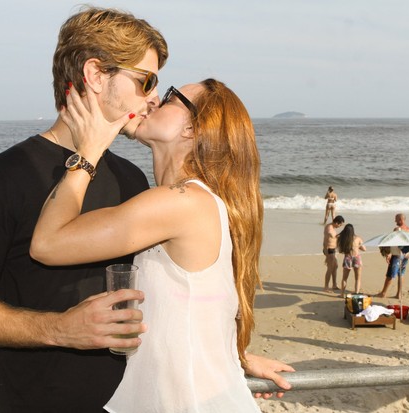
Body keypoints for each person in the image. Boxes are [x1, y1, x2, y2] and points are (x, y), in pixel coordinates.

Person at [0, 7, 287, 412]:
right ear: (96, 75)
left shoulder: (134, 182)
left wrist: (227, 361)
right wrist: (59, 330)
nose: (153, 98)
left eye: (161, 89)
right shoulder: (2, 177)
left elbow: (183, 296)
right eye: (147, 81)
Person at [31, 78, 294, 412]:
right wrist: (232, 358)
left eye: (171, 96)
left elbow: (48, 244)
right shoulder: (198, 202)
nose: (153, 101)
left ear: (191, 129)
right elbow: (197, 308)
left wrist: (89, 151)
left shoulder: (182, 203)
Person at [375, 213, 409, 299]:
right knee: (401, 274)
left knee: (390, 274)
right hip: (407, 255)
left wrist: (389, 254)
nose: (395, 221)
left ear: (401, 220)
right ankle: (399, 294)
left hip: (397, 255)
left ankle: (383, 293)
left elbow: (393, 242)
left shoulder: (397, 229)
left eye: (396, 219)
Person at [336, 223, 366, 296]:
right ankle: (356, 292)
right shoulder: (357, 238)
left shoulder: (343, 239)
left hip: (347, 258)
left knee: (344, 278)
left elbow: (340, 251)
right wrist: (357, 246)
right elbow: (364, 249)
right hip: (356, 257)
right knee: (357, 278)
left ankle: (342, 294)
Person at [323, 215, 345, 292]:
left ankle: (334, 285)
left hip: (333, 250)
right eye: (340, 224)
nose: (339, 226)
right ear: (336, 222)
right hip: (329, 250)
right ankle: (326, 287)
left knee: (335, 266)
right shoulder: (329, 228)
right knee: (330, 268)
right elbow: (329, 236)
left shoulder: (332, 227)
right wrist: (326, 254)